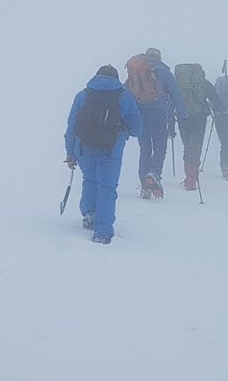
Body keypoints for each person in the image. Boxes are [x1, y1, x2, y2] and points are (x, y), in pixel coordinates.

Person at [65, 65, 143, 243]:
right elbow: (137, 128)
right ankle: (103, 232)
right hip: (111, 149)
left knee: (90, 180)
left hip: (84, 148)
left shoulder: (83, 95)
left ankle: (90, 214)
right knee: (107, 188)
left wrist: (70, 153)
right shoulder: (125, 96)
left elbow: (71, 127)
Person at [124, 47, 187, 198]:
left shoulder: (135, 72)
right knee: (160, 147)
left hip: (140, 115)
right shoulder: (163, 72)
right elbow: (176, 94)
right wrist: (182, 114)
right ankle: (153, 173)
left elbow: (126, 93)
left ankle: (145, 186)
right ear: (159, 57)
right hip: (158, 114)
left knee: (145, 149)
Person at [173, 62, 224, 190]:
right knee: (196, 146)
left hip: (182, 117)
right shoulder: (203, 83)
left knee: (187, 146)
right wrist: (220, 109)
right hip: (199, 117)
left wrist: (170, 121)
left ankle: (188, 177)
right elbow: (216, 99)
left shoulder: (179, 84)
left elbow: (171, 99)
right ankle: (192, 179)